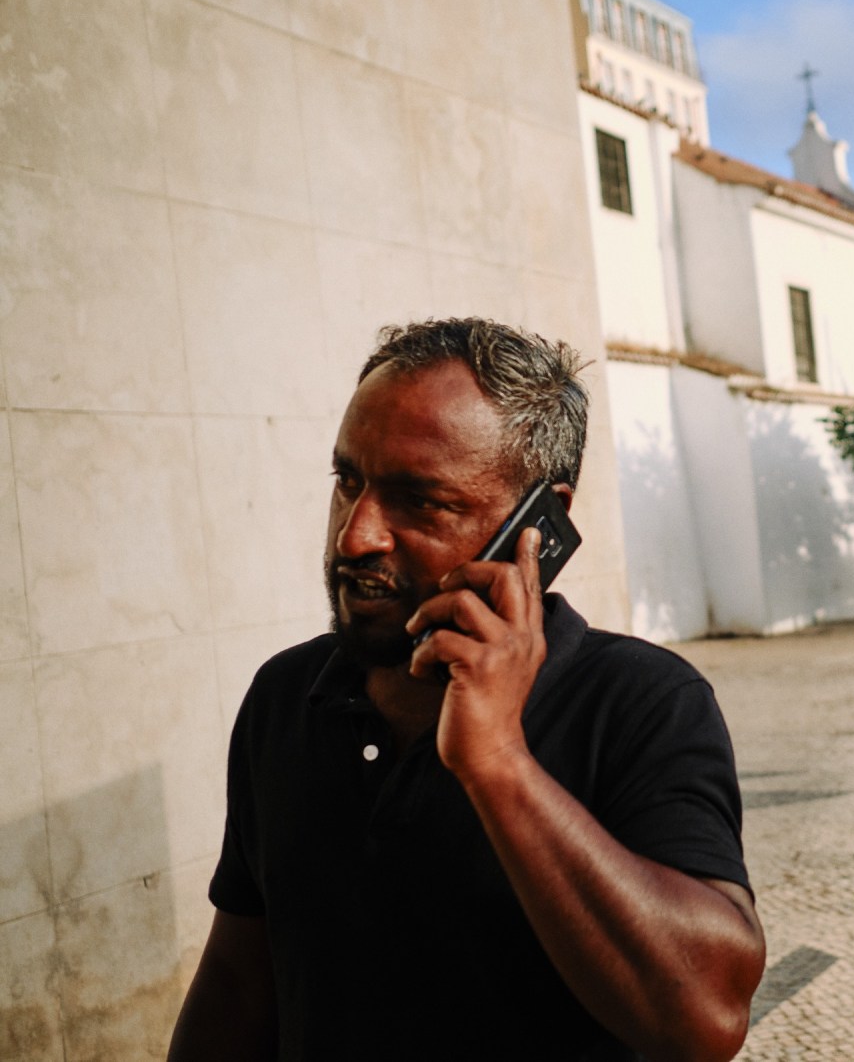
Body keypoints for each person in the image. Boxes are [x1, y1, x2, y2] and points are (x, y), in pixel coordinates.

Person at [168, 319, 765, 1062]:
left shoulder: (641, 702)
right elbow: (237, 982)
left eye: (420, 501)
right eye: (348, 482)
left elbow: (707, 1019)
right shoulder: (287, 696)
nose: (356, 537)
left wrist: (498, 762)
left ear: (539, 527)